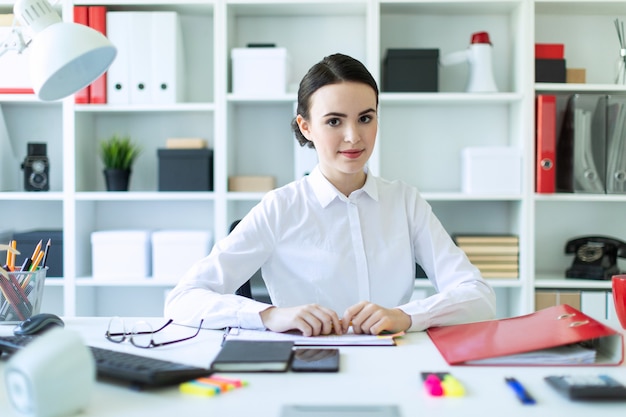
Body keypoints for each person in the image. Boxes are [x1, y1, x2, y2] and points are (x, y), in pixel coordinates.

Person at [165, 53, 496, 336]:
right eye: (334, 121)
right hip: (306, 363)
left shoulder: (405, 203)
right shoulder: (281, 207)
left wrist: (408, 316)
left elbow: (479, 296)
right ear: (306, 127)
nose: (353, 137)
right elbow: (183, 299)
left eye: (365, 118)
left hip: (392, 359)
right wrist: (269, 315)